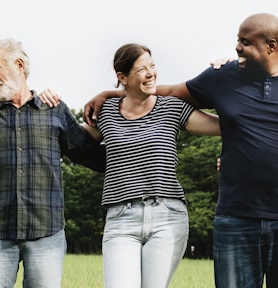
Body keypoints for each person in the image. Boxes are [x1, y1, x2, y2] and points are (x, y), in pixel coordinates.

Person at [73, 13, 278, 288]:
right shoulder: (223, 76)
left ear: (271, 46)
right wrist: (114, 93)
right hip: (235, 216)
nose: (237, 47)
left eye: (246, 42)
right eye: (237, 40)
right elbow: (171, 91)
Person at [0, 38, 105, 288]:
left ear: (19, 64)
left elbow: (89, 153)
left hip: (46, 233)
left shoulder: (55, 110)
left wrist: (135, 155)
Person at [79, 43, 220, 288]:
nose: (151, 73)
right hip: (121, 219)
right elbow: (71, 140)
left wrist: (232, 77)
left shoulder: (172, 107)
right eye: (141, 69)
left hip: (167, 216)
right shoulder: (106, 112)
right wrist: (51, 104)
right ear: (122, 77)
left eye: (152, 66)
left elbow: (224, 126)